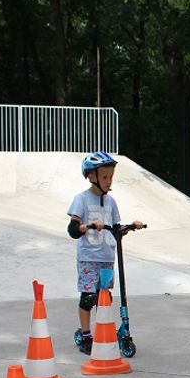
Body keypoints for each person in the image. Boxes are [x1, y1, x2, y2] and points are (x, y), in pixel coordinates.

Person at [67, 151, 145, 355]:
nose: (109, 181)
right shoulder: (81, 199)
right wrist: (89, 226)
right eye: (104, 177)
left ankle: (103, 332)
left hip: (107, 257)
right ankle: (86, 335)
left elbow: (116, 227)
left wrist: (131, 226)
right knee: (88, 297)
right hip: (88, 257)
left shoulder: (111, 202)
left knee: (104, 298)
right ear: (91, 176)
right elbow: (72, 230)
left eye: (110, 177)